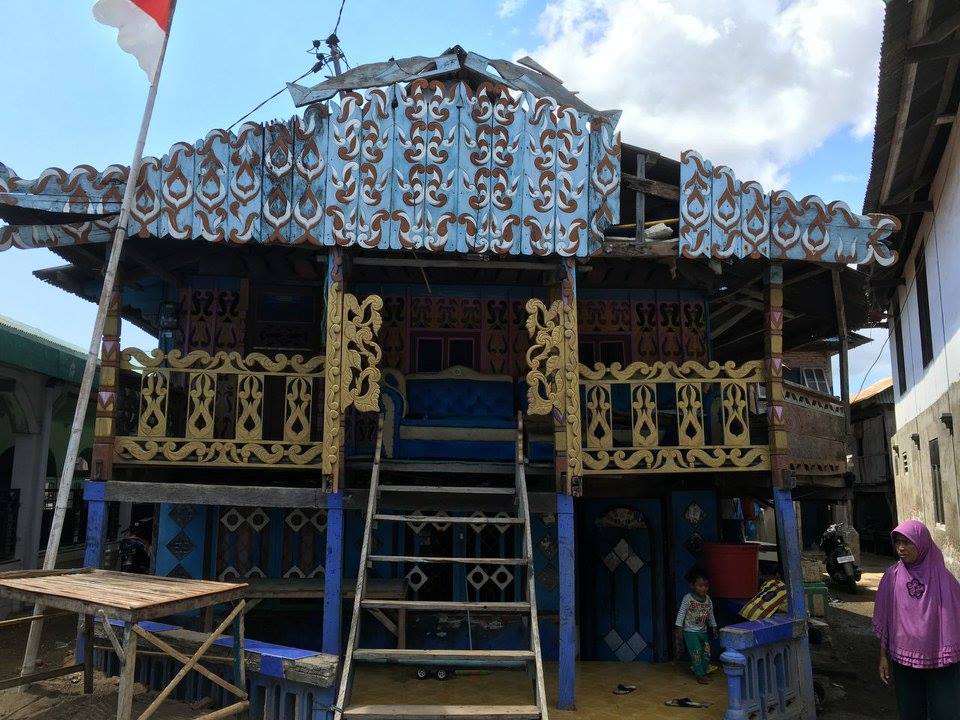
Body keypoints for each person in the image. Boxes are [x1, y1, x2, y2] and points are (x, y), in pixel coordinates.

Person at [873, 520, 960, 719]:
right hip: (904, 660)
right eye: (898, 542)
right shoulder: (892, 577)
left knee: (945, 711)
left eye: (907, 542)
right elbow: (885, 618)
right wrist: (883, 656)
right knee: (910, 711)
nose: (901, 548)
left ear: (922, 543)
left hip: (940, 659)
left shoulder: (944, 580)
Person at [675, 567, 718, 684]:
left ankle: (701, 669)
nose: (703, 588)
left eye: (706, 586)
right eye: (700, 586)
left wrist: (714, 627)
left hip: (703, 631)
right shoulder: (687, 598)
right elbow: (681, 613)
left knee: (707, 652)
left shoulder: (708, 600)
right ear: (692, 586)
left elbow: (711, 614)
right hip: (690, 632)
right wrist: (679, 628)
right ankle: (700, 675)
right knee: (696, 653)